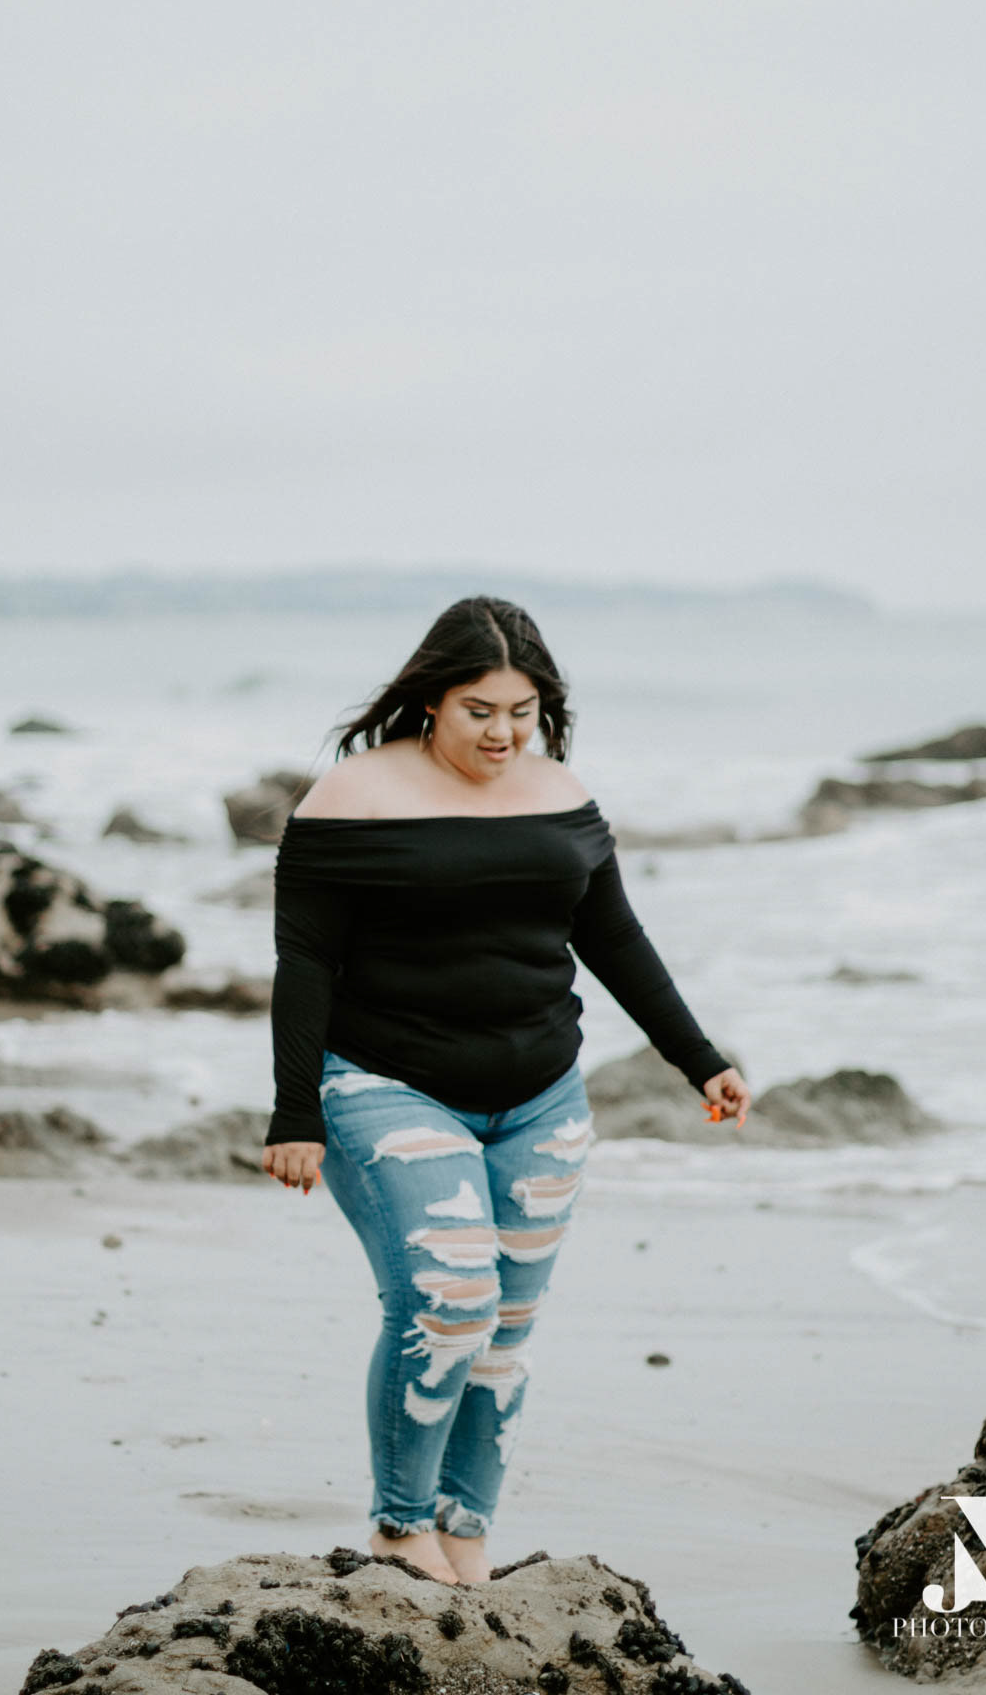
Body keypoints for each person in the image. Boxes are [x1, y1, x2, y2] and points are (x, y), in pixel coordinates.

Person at [263, 594, 750, 1586]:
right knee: (448, 1301)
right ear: (432, 701)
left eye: (521, 712)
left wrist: (698, 1056)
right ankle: (400, 1527)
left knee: (505, 1331)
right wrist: (294, 1112)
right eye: (480, 711)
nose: (502, 732)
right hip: (387, 1083)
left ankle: (466, 1533)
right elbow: (306, 961)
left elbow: (613, 936)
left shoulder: (559, 792)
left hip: (542, 1100)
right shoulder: (350, 799)